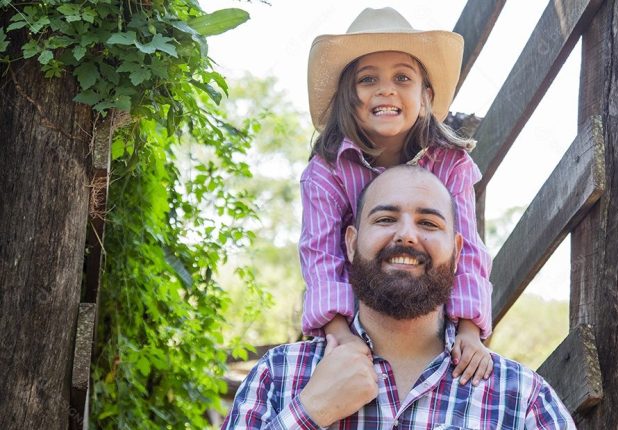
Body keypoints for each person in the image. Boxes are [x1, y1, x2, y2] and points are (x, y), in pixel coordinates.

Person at [222, 166, 575, 429]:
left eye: (428, 223)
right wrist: (312, 410)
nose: (406, 235)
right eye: (386, 218)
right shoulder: (280, 375)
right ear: (349, 243)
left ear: (455, 252)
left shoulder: (521, 398)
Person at [300, 6, 493, 386]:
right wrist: (337, 330)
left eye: (402, 77)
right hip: (359, 307)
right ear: (347, 97)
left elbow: (467, 247)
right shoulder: (327, 170)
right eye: (368, 79)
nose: (386, 89)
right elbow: (320, 253)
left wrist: (470, 329)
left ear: (425, 95)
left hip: (428, 309)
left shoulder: (450, 162)